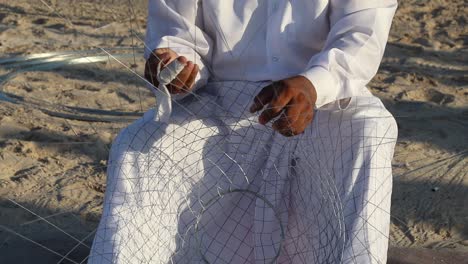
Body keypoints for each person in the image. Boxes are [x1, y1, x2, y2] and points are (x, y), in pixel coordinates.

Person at [89, 1, 398, 263]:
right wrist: (178, 66)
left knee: (369, 130)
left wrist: (313, 84)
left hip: (323, 99)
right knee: (138, 145)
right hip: (217, 102)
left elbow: (361, 32)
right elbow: (180, 35)